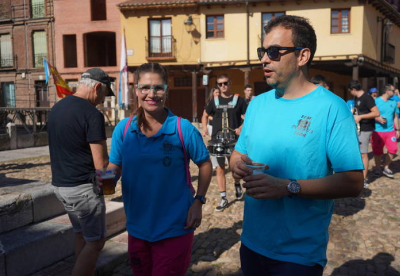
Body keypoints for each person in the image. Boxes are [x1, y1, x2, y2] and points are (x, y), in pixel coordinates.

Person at [230, 15, 364, 276]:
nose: (264, 59)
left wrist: (287, 187)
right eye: (262, 51)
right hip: (252, 243)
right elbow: (239, 153)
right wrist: (237, 166)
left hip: (299, 256)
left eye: (274, 52)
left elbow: (353, 181)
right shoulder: (257, 104)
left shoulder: (332, 108)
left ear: (303, 56)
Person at [108, 63, 212, 276]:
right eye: (145, 88)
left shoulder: (183, 129)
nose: (151, 94)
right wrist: (103, 178)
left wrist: (198, 201)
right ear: (136, 90)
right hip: (137, 227)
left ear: (166, 90)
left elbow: (204, 163)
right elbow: (115, 166)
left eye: (158, 88)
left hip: (175, 227)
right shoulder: (124, 129)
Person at [48, 68, 115, 276]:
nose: (103, 100)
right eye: (104, 94)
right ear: (96, 87)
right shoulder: (91, 114)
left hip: (61, 186)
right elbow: (101, 165)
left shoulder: (57, 108)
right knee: (96, 242)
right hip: (83, 189)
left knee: (81, 236)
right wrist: (114, 177)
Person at [205, 73, 248, 211]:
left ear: (230, 83)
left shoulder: (239, 100)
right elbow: (205, 114)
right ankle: (223, 198)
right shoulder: (215, 101)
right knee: (219, 168)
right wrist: (204, 128)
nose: (223, 86)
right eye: (220, 84)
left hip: (233, 140)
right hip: (217, 140)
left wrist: (241, 127)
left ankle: (236, 183)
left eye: (225, 83)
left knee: (235, 167)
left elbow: (248, 117)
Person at [348, 80, 380, 188]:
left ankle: (363, 179)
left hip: (365, 129)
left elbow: (376, 113)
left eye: (350, 91)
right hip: (358, 129)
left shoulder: (367, 98)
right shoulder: (357, 98)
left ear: (353, 89)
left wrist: (360, 117)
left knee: (363, 154)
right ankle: (358, 176)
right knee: (358, 153)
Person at [372, 84, 400, 178]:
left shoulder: (393, 102)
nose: (395, 92)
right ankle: (377, 168)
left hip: (390, 131)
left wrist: (397, 129)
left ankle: (386, 167)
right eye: (393, 90)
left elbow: (395, 117)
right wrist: (378, 119)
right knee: (377, 152)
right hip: (377, 131)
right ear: (387, 91)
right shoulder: (376, 101)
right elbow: (370, 114)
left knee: (393, 149)